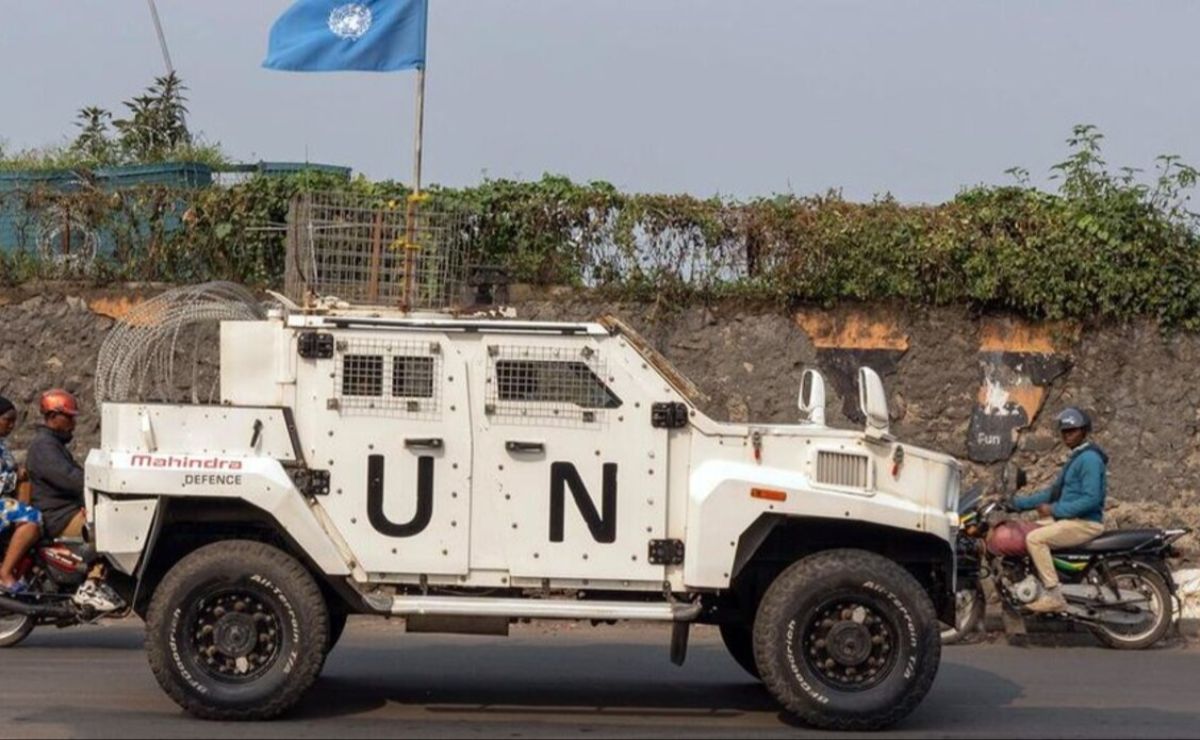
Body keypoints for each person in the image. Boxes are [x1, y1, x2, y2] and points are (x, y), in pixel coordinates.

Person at [26, 389, 122, 612]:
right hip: (58, 515)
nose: (73, 423)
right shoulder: (44, 446)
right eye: (68, 417)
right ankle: (90, 587)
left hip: (65, 510)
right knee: (109, 529)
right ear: (53, 416)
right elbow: (70, 479)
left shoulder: (53, 445)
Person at [1012, 407, 1107, 613]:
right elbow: (1053, 493)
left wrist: (1055, 510)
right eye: (1064, 431)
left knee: (1035, 539)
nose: (1067, 435)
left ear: (1084, 431)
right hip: (1072, 520)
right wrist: (1017, 504)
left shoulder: (1089, 459)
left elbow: (1091, 499)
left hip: (1085, 523)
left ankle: (1054, 595)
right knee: (1027, 528)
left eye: (1072, 430)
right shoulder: (1077, 458)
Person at [0, 395, 43, 593]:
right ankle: (5, 573)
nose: (11, 426)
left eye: (13, 421)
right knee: (33, 518)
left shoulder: (3, 446)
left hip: (6, 502)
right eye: (7, 420)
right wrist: (16, 476)